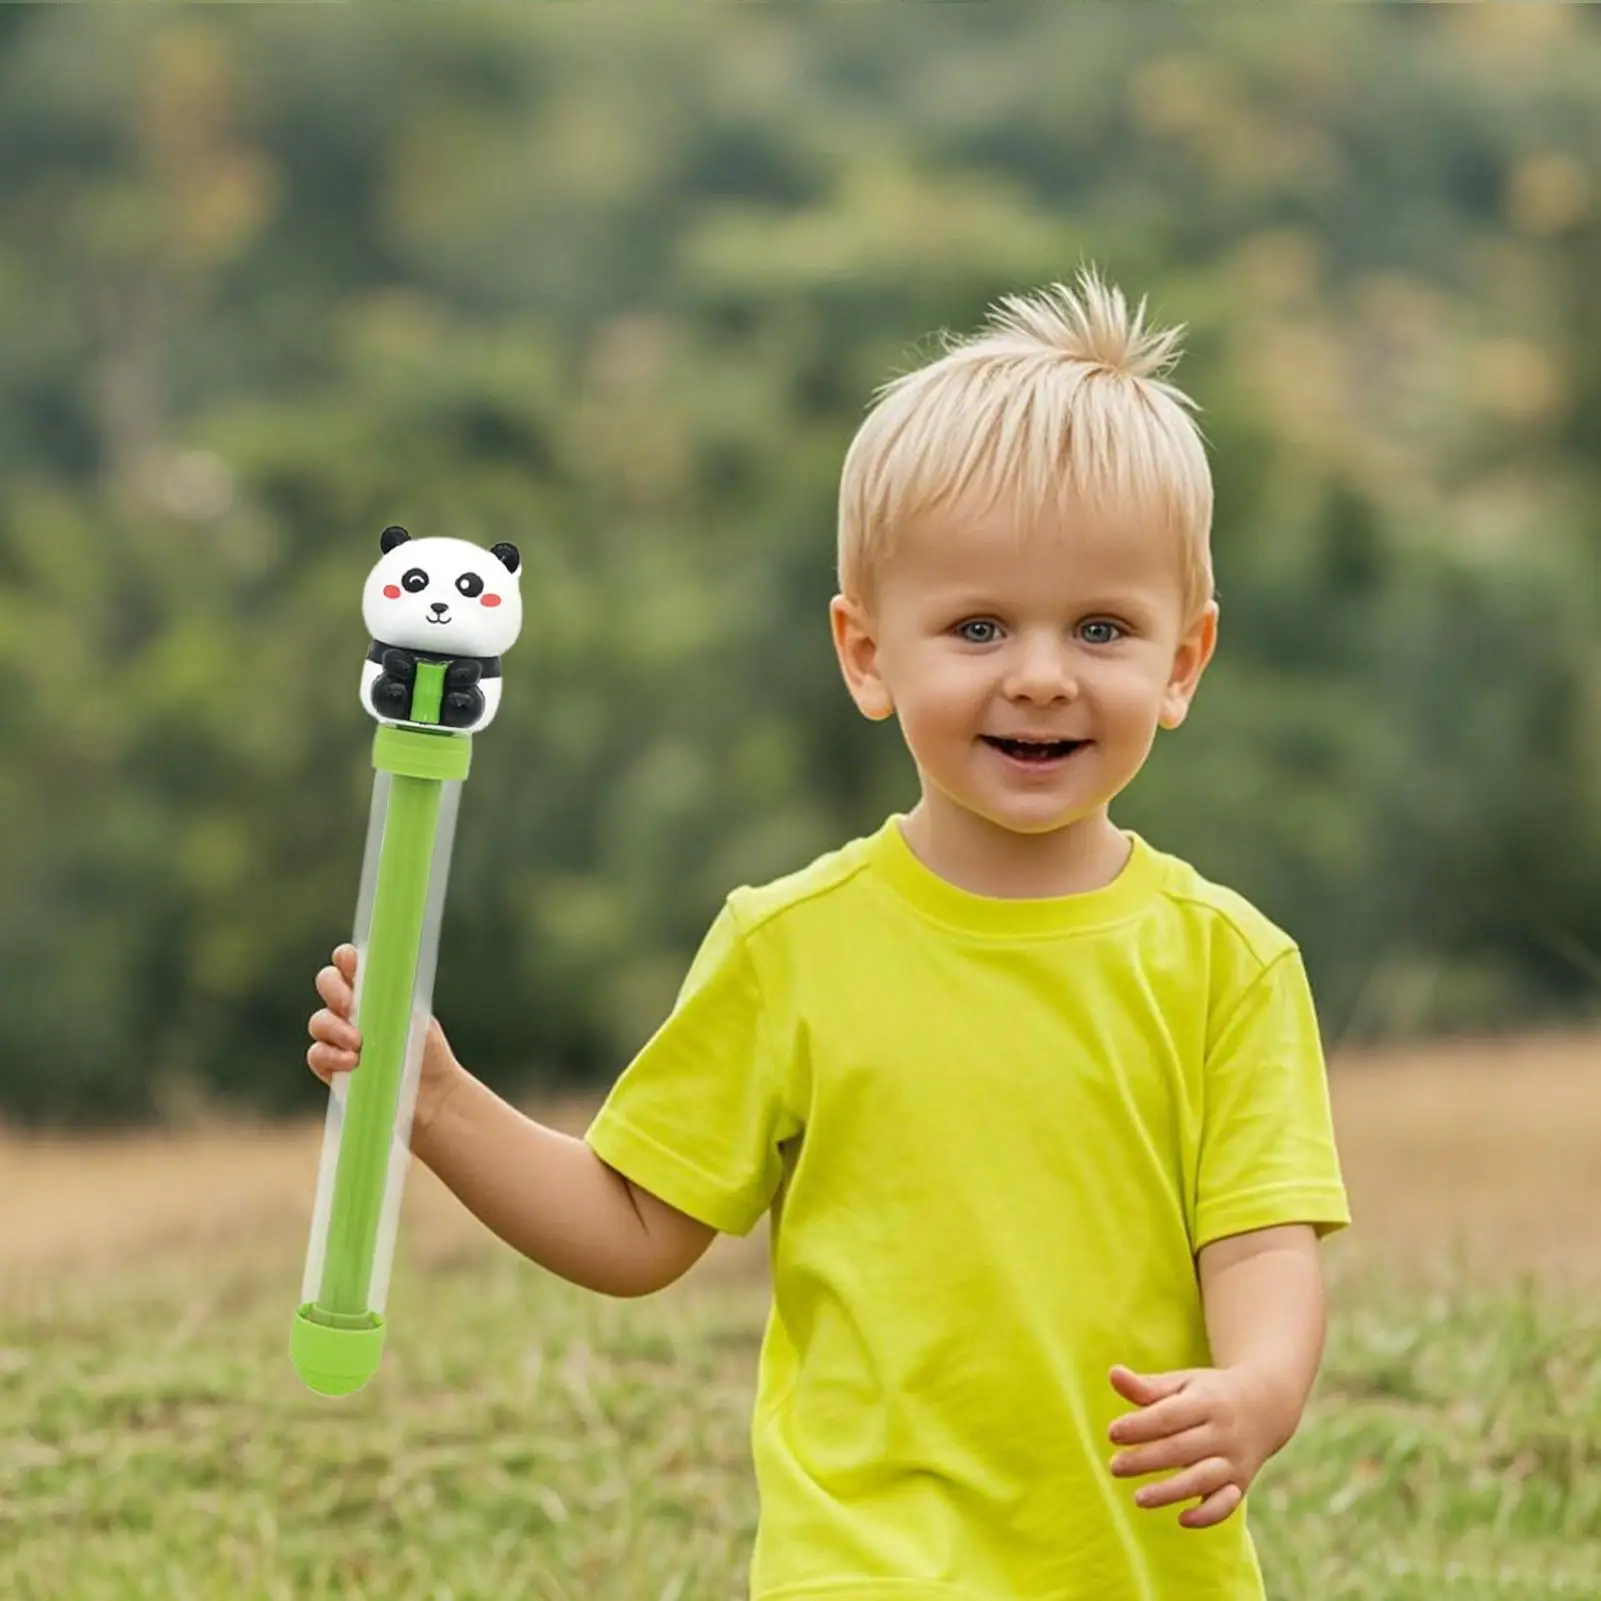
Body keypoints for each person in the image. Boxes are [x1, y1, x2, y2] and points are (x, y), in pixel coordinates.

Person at [308, 267, 1351, 1600]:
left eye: (1102, 627)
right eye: (977, 626)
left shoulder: (1229, 964)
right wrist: (437, 1102)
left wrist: (1260, 1390)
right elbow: (635, 1226)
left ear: (1184, 662)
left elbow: (1261, 1247)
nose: (1040, 672)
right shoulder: (788, 944)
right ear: (867, 654)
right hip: (865, 1563)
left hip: (1136, 1563)